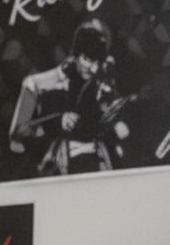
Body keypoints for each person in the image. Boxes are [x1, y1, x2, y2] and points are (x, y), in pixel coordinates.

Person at [8, 18, 131, 177]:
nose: (93, 68)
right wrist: (58, 122)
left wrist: (119, 126)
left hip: (99, 164)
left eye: (97, 62)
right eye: (88, 59)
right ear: (76, 53)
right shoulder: (42, 85)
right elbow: (19, 134)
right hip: (61, 168)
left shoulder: (102, 81)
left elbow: (112, 112)